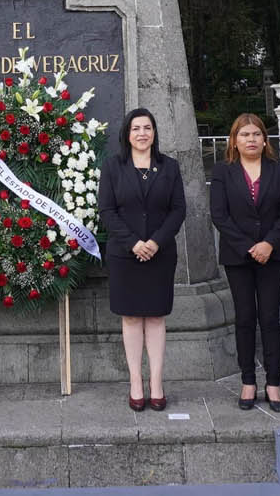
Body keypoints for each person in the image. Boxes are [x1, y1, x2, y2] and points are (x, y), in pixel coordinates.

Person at [97, 107, 186, 411]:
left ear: (154, 133)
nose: (142, 133)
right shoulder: (112, 167)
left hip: (160, 255)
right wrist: (134, 242)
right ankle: (136, 382)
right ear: (127, 133)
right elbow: (107, 211)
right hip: (125, 255)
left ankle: (156, 383)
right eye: (136, 128)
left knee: (157, 316)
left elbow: (178, 210)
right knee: (132, 317)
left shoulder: (170, 167)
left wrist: (155, 242)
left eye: (147, 128)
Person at [208, 113, 280, 411]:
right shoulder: (223, 171)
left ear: (264, 139)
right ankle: (248, 380)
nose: (251, 139)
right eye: (244, 135)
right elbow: (219, 215)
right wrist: (249, 247)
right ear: (234, 140)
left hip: (273, 254)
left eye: (256, 134)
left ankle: (273, 383)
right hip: (238, 256)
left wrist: (269, 243)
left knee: (270, 318)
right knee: (244, 318)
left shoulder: (279, 168)